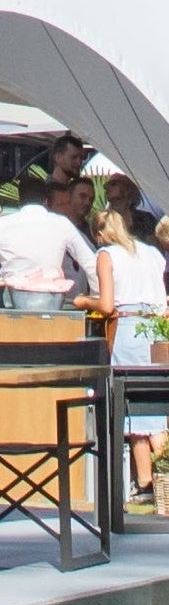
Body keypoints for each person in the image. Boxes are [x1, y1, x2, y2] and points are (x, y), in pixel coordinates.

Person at [94, 203, 169, 507]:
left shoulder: (106, 255)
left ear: (100, 232)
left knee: (135, 409)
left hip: (128, 326)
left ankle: (147, 483)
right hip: (158, 326)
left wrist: (85, 299)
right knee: (159, 406)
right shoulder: (151, 252)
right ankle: (159, 477)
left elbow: (107, 305)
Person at [0, 177, 100, 311]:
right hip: (51, 305)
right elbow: (90, 263)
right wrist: (96, 299)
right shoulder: (61, 224)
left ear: (20, 200)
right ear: (45, 200)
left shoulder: (4, 224)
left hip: (13, 304)